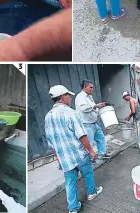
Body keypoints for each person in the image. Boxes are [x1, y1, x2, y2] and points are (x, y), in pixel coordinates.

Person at [45, 85, 103, 213]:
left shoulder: (48, 116)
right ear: (62, 97)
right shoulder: (71, 113)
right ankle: (91, 193)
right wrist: (91, 151)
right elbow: (82, 136)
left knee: (70, 183)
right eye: (68, 95)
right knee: (88, 173)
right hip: (79, 154)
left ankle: (73, 208)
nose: (70, 98)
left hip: (65, 158)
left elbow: (52, 142)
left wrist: (59, 158)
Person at [75, 80, 109, 161]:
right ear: (85, 87)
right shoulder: (80, 97)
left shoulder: (89, 96)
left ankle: (102, 154)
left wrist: (98, 107)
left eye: (93, 88)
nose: (92, 89)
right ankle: (89, 159)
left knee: (101, 137)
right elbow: (83, 108)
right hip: (86, 124)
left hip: (93, 123)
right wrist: (95, 106)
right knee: (89, 142)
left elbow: (92, 107)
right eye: (91, 87)